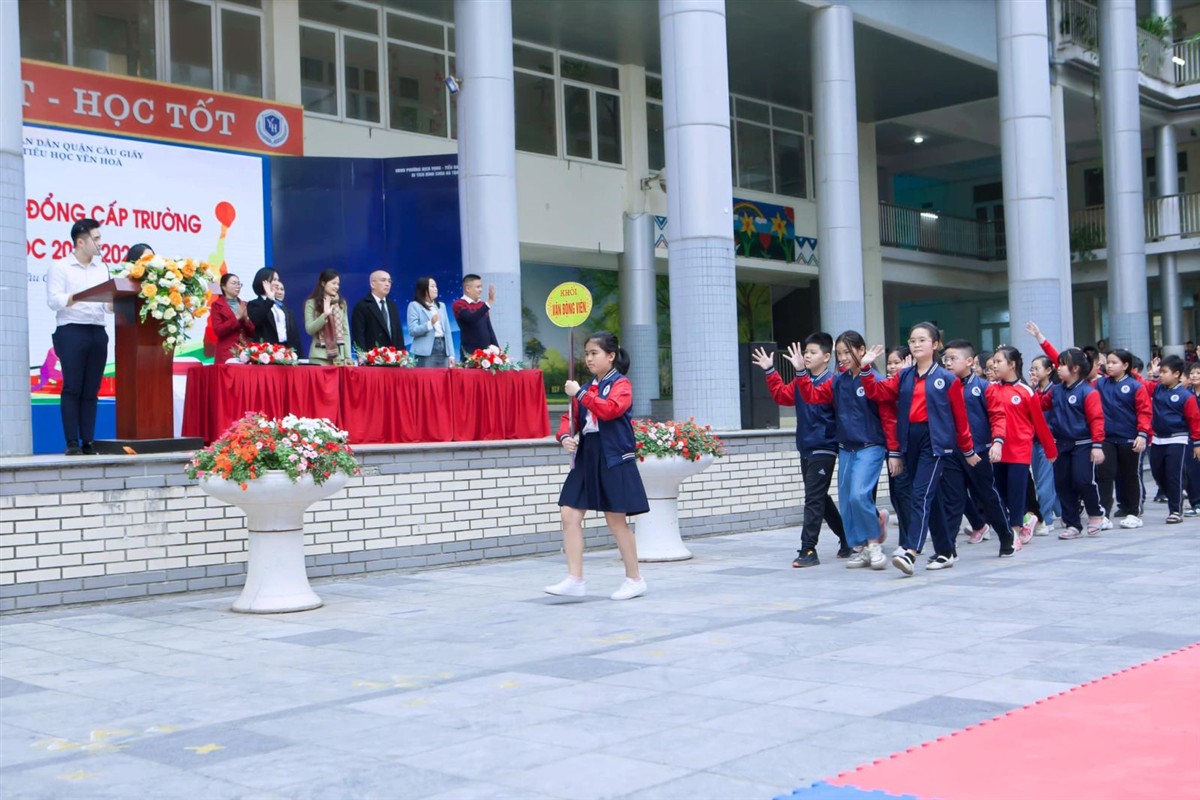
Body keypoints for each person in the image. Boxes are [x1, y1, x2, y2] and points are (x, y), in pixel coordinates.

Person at [858, 323, 980, 574]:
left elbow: (960, 419)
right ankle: (946, 551)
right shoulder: (904, 376)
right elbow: (877, 393)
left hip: (935, 442)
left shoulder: (947, 379)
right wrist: (866, 368)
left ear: (935, 345)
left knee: (920, 495)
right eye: (912, 340)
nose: (916, 344)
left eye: (922, 340)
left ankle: (910, 550)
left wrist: (968, 451)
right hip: (909, 441)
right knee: (929, 498)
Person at [546, 331, 649, 600]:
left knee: (616, 520)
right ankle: (575, 578)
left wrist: (580, 393)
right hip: (587, 454)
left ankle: (635, 579)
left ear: (611, 356)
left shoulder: (621, 384)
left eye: (595, 353)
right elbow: (570, 419)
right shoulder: (585, 387)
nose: (589, 359)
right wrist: (565, 436)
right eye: (587, 354)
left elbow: (610, 409)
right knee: (569, 513)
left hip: (613, 456)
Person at [792, 330, 895, 571]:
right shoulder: (838, 380)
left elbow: (888, 417)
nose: (843, 358)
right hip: (846, 448)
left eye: (847, 352)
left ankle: (873, 544)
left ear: (861, 350)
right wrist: (800, 372)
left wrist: (895, 452)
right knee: (848, 502)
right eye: (839, 354)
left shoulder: (875, 379)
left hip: (871, 446)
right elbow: (812, 396)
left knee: (859, 495)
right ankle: (861, 547)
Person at [752, 332, 850, 568]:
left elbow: (821, 402)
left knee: (813, 498)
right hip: (805, 447)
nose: (807, 356)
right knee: (819, 497)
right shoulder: (801, 380)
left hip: (825, 448)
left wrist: (800, 373)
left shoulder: (833, 382)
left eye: (812, 352)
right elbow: (782, 396)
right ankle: (846, 538)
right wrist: (770, 370)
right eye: (806, 352)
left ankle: (808, 549)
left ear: (826, 357)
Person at [942, 339, 1025, 557]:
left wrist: (997, 442)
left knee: (988, 496)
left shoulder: (984, 388)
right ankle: (947, 549)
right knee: (953, 499)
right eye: (946, 359)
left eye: (953, 358)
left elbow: (998, 417)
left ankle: (1006, 536)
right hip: (952, 452)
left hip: (979, 451)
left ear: (969, 361)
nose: (948, 363)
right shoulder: (943, 387)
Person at [45, 218, 112, 455]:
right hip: (71, 331)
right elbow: (53, 301)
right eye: (96, 238)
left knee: (91, 390)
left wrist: (116, 300)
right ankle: (72, 442)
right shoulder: (61, 266)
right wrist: (79, 296)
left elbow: (106, 306)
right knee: (73, 387)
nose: (100, 243)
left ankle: (88, 441)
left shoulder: (102, 268)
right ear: (80, 241)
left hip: (97, 331)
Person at [983, 346, 1059, 546]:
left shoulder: (1026, 391)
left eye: (998, 362)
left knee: (1016, 492)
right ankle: (1027, 519)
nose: (994, 366)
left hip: (1020, 450)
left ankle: (1015, 532)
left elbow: (1039, 423)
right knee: (1001, 491)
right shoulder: (990, 389)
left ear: (1012, 364)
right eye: (993, 362)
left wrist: (1050, 450)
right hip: (998, 450)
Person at [1038, 348, 1107, 539]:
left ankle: (1095, 513)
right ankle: (1072, 523)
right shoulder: (1056, 390)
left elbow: (1096, 420)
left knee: (1083, 479)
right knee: (1062, 483)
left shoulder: (1088, 392)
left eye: (1062, 365)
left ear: (1075, 368)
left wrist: (1097, 445)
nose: (1058, 368)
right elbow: (1040, 404)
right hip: (1061, 444)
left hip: (1084, 443)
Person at [1093, 349, 1153, 528]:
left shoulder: (1135, 386)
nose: (1109, 366)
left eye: (1114, 363)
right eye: (1108, 362)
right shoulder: (1100, 384)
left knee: (1130, 475)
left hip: (1129, 438)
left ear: (1126, 365)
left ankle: (1133, 512)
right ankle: (1103, 513)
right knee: (1104, 475)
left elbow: (1144, 412)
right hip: (1106, 438)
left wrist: (1142, 434)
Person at [1146, 355, 1200, 524]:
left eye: (1164, 372)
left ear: (1176, 374)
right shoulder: (1157, 388)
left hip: (1178, 439)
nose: (1161, 375)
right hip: (1157, 439)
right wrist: (1153, 375)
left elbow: (1194, 420)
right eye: (1160, 372)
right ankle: (1174, 495)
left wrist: (1197, 443)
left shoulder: (1186, 396)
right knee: (1158, 473)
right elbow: (1141, 385)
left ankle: (1175, 510)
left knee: (1174, 475)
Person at [1028, 354, 1062, 533]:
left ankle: (1046, 518)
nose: (1033, 372)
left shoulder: (1054, 391)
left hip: (1048, 441)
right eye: (1031, 368)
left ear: (1049, 370)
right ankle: (1062, 513)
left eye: (1037, 368)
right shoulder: (1032, 391)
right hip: (1034, 441)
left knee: (1044, 482)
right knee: (1042, 480)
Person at [246, 268, 302, 353]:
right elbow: (257, 320)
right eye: (274, 280)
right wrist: (269, 299)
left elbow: (294, 334)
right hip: (267, 352)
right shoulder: (254, 304)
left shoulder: (281, 305)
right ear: (264, 282)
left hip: (286, 350)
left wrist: (298, 354)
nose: (277, 283)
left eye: (278, 280)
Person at [303, 269, 352, 365]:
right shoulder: (311, 303)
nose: (336, 286)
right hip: (319, 357)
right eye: (333, 283)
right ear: (323, 283)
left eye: (338, 284)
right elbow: (309, 329)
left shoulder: (341, 303)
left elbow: (345, 331)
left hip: (339, 358)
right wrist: (325, 314)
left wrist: (347, 357)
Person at [351, 270, 404, 352]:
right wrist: (362, 355)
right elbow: (358, 336)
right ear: (373, 284)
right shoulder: (362, 306)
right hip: (372, 356)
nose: (387, 284)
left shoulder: (392, 306)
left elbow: (398, 333)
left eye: (389, 281)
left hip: (393, 356)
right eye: (383, 280)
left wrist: (402, 353)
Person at [407, 277, 454, 368]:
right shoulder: (414, 305)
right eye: (432, 286)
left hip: (444, 347)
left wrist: (451, 354)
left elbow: (447, 331)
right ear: (424, 289)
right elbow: (412, 330)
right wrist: (430, 323)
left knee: (443, 376)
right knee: (426, 376)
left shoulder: (441, 306)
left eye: (436, 286)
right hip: (426, 350)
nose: (436, 289)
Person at [207, 273, 255, 361]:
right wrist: (237, 317)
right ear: (223, 286)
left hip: (245, 352)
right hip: (227, 351)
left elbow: (252, 333)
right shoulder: (217, 305)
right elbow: (218, 330)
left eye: (239, 284)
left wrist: (246, 319)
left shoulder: (244, 304)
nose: (238, 286)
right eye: (234, 283)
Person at [452, 273, 499, 357]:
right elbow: (471, 319)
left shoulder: (482, 305)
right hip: (470, 353)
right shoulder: (459, 304)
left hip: (487, 353)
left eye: (481, 287)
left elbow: (489, 329)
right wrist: (489, 302)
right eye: (478, 287)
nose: (481, 290)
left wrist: (498, 351)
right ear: (468, 289)